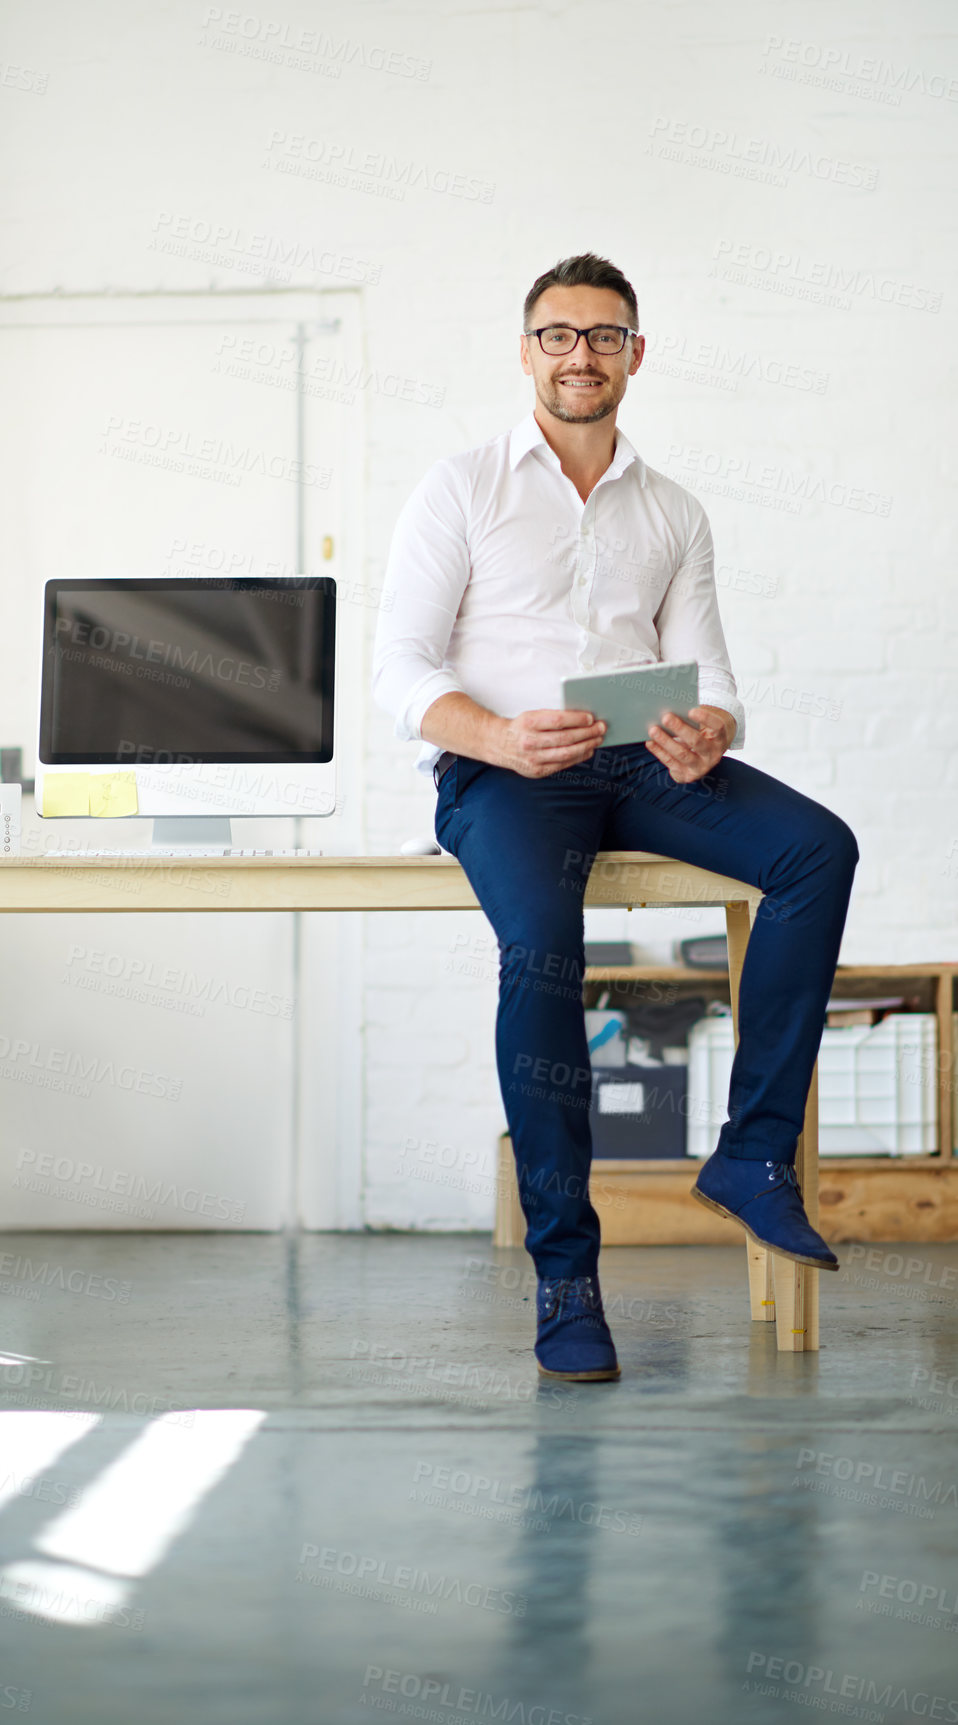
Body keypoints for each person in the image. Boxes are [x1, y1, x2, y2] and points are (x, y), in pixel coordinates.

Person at [372, 253, 859, 1383]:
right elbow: (397, 667)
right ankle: (567, 1277)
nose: (579, 354)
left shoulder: (672, 508)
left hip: (638, 760)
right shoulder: (461, 487)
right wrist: (494, 737)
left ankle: (752, 1158)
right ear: (527, 349)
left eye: (602, 335)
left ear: (636, 354)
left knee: (815, 851)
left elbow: (713, 676)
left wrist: (711, 730)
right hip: (503, 771)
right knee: (543, 953)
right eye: (557, 334)